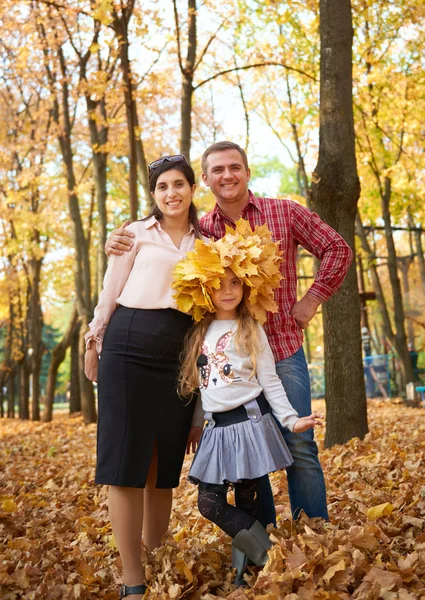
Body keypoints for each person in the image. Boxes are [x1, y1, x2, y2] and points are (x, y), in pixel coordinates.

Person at [105, 141, 353, 525]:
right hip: (231, 359)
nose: (227, 175)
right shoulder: (201, 232)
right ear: (204, 180)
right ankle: (265, 539)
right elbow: (166, 269)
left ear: (247, 171)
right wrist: (117, 240)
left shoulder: (283, 211)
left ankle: (315, 534)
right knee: (250, 456)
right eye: (217, 170)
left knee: (299, 445)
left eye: (234, 167)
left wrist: (311, 301)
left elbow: (337, 248)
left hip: (282, 347)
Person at [172, 220, 322, 585]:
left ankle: (249, 571)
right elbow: (201, 383)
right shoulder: (198, 331)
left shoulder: (250, 327)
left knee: (248, 501)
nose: (227, 290)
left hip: (250, 424)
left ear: (246, 286)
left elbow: (269, 379)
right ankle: (268, 553)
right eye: (220, 284)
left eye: (235, 282)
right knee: (209, 503)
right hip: (216, 431)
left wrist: (291, 420)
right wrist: (196, 422)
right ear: (207, 287)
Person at [84, 155, 205, 599]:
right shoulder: (133, 234)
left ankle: (157, 559)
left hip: (179, 352)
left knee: (162, 464)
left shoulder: (208, 240)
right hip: (128, 346)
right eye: (162, 187)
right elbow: (109, 292)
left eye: (179, 184)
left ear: (193, 188)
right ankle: (132, 578)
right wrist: (94, 341)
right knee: (126, 463)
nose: (171, 193)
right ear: (153, 195)